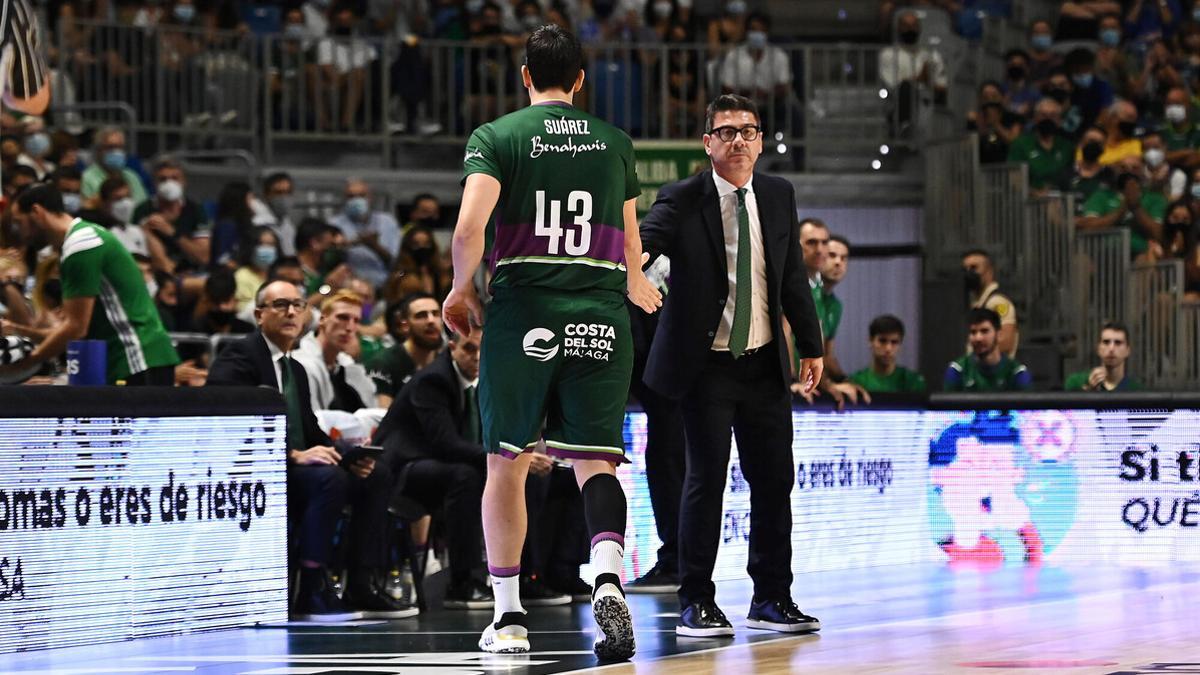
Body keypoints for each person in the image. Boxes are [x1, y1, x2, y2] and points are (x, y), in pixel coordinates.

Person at [443, 24, 660, 659]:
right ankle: (609, 574)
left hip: (524, 314)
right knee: (597, 460)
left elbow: (467, 228)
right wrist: (638, 280)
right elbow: (629, 237)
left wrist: (461, 288)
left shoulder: (498, 136)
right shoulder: (616, 143)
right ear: (581, 80)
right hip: (599, 312)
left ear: (525, 75)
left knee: (505, 465)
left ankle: (509, 618)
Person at [640, 94, 823, 639]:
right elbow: (646, 242)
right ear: (708, 143)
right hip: (706, 366)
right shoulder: (682, 196)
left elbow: (791, 276)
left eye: (748, 130)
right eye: (726, 132)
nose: (738, 140)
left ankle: (772, 596)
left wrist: (811, 346)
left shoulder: (778, 193)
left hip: (765, 361)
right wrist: (633, 263)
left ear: (761, 139)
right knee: (705, 482)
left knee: (774, 483)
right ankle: (696, 599)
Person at [205, 280, 415, 621]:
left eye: (298, 305)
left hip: (300, 466)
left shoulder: (295, 369)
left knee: (375, 474)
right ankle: (312, 587)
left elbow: (312, 430)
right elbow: (229, 422)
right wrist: (291, 455)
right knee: (329, 480)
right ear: (259, 315)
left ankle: (361, 582)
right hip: (257, 469)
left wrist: (347, 455)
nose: (290, 312)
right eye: (280, 305)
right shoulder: (239, 357)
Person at [3, 184, 179, 385]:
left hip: (138, 357)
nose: (21, 234)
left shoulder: (81, 245)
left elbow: (76, 328)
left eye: (20, 223)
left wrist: (23, 366)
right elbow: (70, 327)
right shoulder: (81, 240)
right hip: (129, 359)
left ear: (36, 212)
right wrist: (19, 330)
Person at [372, 329, 492, 610]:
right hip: (400, 471)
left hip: (433, 464)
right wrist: (502, 458)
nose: (476, 357)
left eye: (482, 350)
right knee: (466, 477)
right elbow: (445, 444)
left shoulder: (478, 382)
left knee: (529, 478)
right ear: (452, 347)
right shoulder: (434, 380)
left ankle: (536, 574)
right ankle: (464, 582)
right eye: (469, 348)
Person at [294, 290, 378, 412]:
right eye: (343, 317)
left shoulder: (346, 365)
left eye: (356, 321)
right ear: (322, 319)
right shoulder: (301, 364)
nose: (350, 327)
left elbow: (372, 410)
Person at [365, 292, 443, 406]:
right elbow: (381, 416)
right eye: (421, 315)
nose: (431, 320)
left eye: (436, 314)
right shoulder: (383, 364)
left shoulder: (447, 363)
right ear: (404, 325)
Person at [331, 178, 401, 289]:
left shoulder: (387, 222)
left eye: (361, 195)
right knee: (364, 307)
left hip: (383, 287)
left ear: (370, 197)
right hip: (350, 289)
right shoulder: (335, 224)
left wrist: (374, 246)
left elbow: (397, 262)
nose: (356, 200)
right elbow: (328, 260)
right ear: (345, 199)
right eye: (351, 196)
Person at [944, 307, 1033, 391]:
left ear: (998, 334)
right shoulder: (958, 371)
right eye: (973, 332)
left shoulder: (1017, 373)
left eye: (984, 331)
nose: (978, 338)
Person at [961, 249, 1019, 357]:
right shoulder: (977, 303)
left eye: (974, 268)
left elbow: (1006, 342)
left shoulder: (997, 302)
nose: (969, 273)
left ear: (989, 271)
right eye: (965, 269)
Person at [849, 314, 927, 393]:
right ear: (870, 341)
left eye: (894, 342)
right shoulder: (856, 382)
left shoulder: (913, 382)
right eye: (882, 341)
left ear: (900, 344)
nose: (888, 348)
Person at [1063, 321, 1142, 390]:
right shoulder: (1075, 383)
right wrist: (1088, 390)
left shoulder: (1137, 390)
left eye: (1118, 343)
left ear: (1127, 350)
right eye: (1106, 342)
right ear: (1098, 349)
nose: (1111, 348)